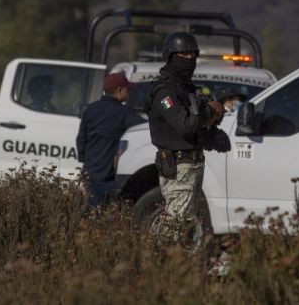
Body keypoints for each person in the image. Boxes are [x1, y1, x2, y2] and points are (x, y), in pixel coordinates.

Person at [147, 31, 231, 242]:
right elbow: (185, 125)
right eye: (184, 53)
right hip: (178, 165)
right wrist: (210, 110)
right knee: (175, 224)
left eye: (194, 54)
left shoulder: (188, 89)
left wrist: (213, 130)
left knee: (186, 225)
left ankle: (176, 267)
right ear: (171, 55)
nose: (190, 59)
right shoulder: (164, 91)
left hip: (193, 164)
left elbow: (197, 124)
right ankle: (162, 265)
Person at [75, 72, 146, 207]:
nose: (129, 92)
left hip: (90, 171)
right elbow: (144, 128)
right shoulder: (123, 112)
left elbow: (81, 140)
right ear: (119, 90)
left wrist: (86, 161)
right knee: (105, 211)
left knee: (90, 209)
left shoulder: (91, 109)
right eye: (127, 89)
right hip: (108, 175)